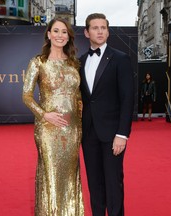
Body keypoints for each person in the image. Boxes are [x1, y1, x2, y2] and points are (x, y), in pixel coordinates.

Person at [22, 18, 84, 216]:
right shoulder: (38, 62)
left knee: (69, 176)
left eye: (64, 32)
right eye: (56, 31)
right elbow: (26, 96)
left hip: (73, 129)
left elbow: (79, 98)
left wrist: (80, 127)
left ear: (69, 36)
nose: (60, 35)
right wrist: (44, 115)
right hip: (48, 129)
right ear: (48, 35)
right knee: (51, 175)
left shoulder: (74, 63)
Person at [79, 13, 134, 216]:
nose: (100, 31)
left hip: (112, 134)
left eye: (103, 27)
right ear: (87, 32)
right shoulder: (80, 61)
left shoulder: (121, 59)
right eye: (95, 28)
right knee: (94, 183)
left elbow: (127, 99)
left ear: (108, 31)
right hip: (88, 132)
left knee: (113, 183)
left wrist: (122, 134)